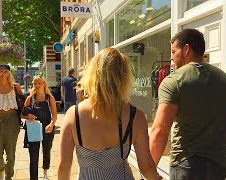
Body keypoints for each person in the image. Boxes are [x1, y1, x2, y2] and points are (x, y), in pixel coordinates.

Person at [149, 29, 226, 180]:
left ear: (186, 49)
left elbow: (160, 132)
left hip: (186, 165)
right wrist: (213, 149)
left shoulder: (173, 81)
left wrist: (150, 172)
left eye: (173, 51)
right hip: (217, 164)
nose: (171, 58)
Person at [58, 48, 159, 180]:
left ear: (92, 75)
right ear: (124, 77)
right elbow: (146, 167)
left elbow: (64, 166)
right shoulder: (136, 116)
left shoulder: (74, 115)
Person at [0, 64, 23, 180]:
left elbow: (23, 103)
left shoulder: (15, 87)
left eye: (5, 71)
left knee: (10, 152)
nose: (3, 74)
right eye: (1, 71)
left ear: (9, 73)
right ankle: (2, 167)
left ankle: (8, 177)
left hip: (13, 120)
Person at [21, 77, 58, 180]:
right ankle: (33, 178)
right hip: (33, 128)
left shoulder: (50, 98)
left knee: (46, 151)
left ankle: (45, 173)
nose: (37, 85)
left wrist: (51, 124)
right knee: (33, 155)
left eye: (39, 83)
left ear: (44, 84)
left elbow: (54, 115)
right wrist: (28, 115)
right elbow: (22, 114)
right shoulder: (30, 98)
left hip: (47, 128)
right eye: (35, 83)